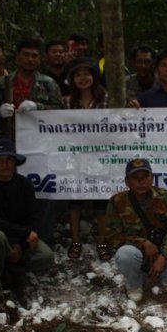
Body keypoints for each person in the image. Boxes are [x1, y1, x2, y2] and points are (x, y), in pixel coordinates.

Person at [106, 158, 167, 302]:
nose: (141, 182)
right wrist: (143, 243)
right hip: (136, 252)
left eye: (145, 177)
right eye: (135, 178)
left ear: (152, 178)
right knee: (124, 254)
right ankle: (134, 284)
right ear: (127, 181)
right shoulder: (117, 201)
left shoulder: (164, 196)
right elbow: (113, 236)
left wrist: (163, 256)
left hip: (162, 250)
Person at [0, 139, 55, 300]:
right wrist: (25, 234)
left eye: (9, 160)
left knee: (46, 256)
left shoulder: (25, 184)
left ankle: (8, 270)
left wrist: (22, 245)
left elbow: (33, 218)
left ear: (15, 162)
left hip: (19, 237)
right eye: (0, 160)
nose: (5, 165)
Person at [63, 58, 111, 261]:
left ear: (94, 76)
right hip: (75, 159)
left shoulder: (106, 98)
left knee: (101, 202)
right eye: (77, 75)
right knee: (75, 202)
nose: (83, 78)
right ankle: (75, 241)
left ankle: (102, 241)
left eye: (86, 73)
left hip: (101, 158)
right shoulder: (66, 102)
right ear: (72, 79)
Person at [0, 38, 63, 139]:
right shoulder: (3, 82)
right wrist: (0, 111)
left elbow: (60, 111)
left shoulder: (48, 83)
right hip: (9, 138)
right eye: (26, 55)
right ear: (17, 56)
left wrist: (38, 107)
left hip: (40, 137)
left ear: (39, 59)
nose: (30, 59)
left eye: (34, 56)